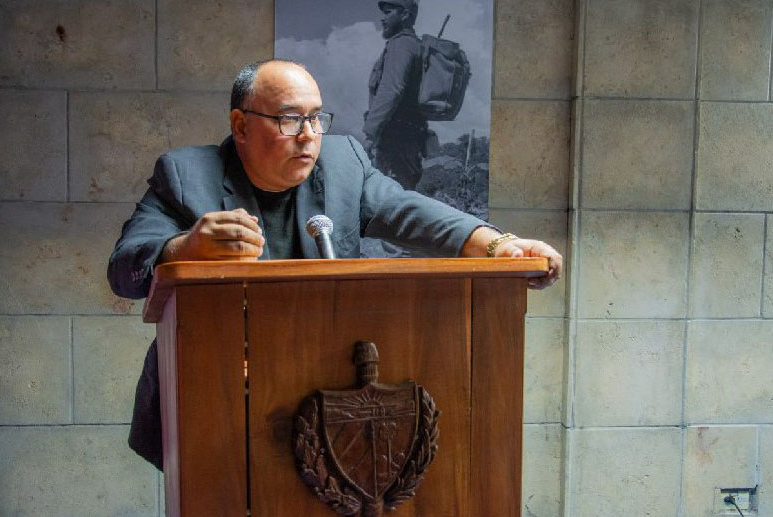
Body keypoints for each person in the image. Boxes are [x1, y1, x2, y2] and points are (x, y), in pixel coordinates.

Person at [107, 59, 562, 470]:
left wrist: (499, 244)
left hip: (320, 396)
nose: (308, 134)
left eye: (316, 117)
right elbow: (123, 269)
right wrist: (184, 247)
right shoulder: (185, 174)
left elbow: (408, 210)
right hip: (216, 400)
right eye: (289, 119)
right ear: (241, 125)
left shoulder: (343, 162)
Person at [363, 0, 426, 191]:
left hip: (396, 139)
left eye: (388, 12)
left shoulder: (402, 44)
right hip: (406, 137)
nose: (383, 18)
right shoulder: (412, 44)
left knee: (393, 198)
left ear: (404, 15)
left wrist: (370, 133)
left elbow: (391, 90)